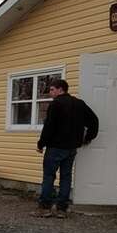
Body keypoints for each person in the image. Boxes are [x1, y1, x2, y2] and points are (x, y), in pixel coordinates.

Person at [34, 78, 98, 218]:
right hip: (71, 148)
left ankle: (45, 208)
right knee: (66, 176)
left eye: (51, 89)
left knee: (49, 176)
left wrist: (41, 144)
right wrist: (87, 138)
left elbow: (49, 127)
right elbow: (94, 120)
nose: (50, 93)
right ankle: (61, 209)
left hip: (55, 147)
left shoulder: (56, 104)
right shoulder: (79, 104)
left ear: (60, 89)